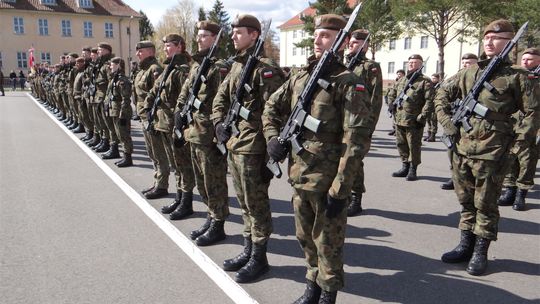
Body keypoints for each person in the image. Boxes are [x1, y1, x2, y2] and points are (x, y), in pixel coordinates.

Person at [263, 14, 372, 303]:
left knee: (328, 244)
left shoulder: (349, 82)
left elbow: (356, 141)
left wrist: (341, 187)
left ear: (342, 41)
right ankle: (311, 286)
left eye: (325, 35)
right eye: (316, 34)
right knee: (305, 239)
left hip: (327, 181)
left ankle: (328, 295)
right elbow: (271, 108)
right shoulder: (300, 77)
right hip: (300, 174)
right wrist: (273, 137)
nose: (317, 39)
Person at [435, 19, 539, 276]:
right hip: (462, 149)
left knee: (486, 205)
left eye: (497, 38)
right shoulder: (469, 73)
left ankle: (481, 252)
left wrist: (515, 148)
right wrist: (448, 124)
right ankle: (465, 245)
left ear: (510, 43)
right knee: (466, 202)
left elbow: (532, 114)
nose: (490, 42)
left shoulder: (519, 77)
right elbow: (441, 95)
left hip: (493, 152)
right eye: (486, 38)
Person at [212, 14, 285, 281]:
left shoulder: (265, 69)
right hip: (234, 143)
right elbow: (220, 98)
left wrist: (269, 153)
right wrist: (218, 122)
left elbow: (276, 112)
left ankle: (260, 257)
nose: (233, 36)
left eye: (239, 32)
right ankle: (248, 248)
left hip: (254, 148)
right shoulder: (236, 66)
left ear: (254, 35)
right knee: (244, 203)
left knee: (257, 205)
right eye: (232, 32)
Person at [165, 21, 230, 228]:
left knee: (214, 182)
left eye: (203, 35)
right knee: (202, 181)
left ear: (214, 38)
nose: (199, 39)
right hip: (193, 131)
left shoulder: (219, 68)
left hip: (208, 134)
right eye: (198, 35)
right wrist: (179, 115)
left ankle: (218, 222)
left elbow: (223, 102)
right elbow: (184, 94)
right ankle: (211, 217)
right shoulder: (196, 65)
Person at [142, 33, 193, 200]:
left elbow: (184, 101)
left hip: (174, 124)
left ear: (179, 46)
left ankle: (185, 200)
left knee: (182, 165)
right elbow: (154, 91)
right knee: (174, 164)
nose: (165, 49)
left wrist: (181, 125)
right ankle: (179, 198)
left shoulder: (182, 71)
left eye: (169, 45)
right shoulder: (168, 69)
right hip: (163, 123)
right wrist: (148, 107)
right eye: (164, 46)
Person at [345, 28, 383, 216]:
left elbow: (376, 99)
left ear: (365, 45)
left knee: (355, 161)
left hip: (358, 123)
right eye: (350, 42)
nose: (352, 45)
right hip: (340, 121)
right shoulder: (343, 64)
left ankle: (356, 198)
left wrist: (369, 127)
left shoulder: (370, 67)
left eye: (356, 43)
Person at [497, 47, 540, 211]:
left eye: (529, 59)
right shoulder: (516, 76)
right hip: (513, 124)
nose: (525, 61)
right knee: (510, 158)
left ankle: (521, 194)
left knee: (527, 161)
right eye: (524, 58)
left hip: (533, 127)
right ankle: (509, 191)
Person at [387, 54, 434, 181]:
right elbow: (392, 92)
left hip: (414, 120)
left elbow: (429, 101)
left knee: (414, 145)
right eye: (410, 62)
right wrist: (391, 103)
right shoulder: (402, 80)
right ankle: (405, 166)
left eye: (415, 62)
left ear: (421, 64)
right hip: (399, 118)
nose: (412, 64)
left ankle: (413, 169)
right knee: (401, 144)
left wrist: (422, 117)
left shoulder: (425, 81)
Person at [440, 53, 478, 191]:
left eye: (470, 63)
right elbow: (442, 95)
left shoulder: (480, 77)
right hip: (457, 118)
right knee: (452, 150)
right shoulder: (455, 78)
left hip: (476, 121)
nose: (466, 65)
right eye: (464, 62)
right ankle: (454, 177)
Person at [133, 41, 166, 196]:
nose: (137, 54)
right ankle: (156, 182)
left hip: (151, 117)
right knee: (152, 152)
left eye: (141, 51)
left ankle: (161, 185)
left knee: (158, 153)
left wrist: (153, 118)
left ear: (150, 52)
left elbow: (158, 96)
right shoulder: (142, 71)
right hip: (143, 116)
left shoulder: (155, 69)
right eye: (137, 51)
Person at [108, 57, 134, 167]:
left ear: (119, 65)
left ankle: (128, 158)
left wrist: (123, 114)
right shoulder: (115, 79)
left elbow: (126, 99)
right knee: (119, 134)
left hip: (121, 112)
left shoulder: (123, 81)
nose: (110, 67)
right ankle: (123, 155)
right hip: (115, 110)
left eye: (112, 65)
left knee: (124, 135)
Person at [386, 69, 405, 136]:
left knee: (399, 116)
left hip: (401, 101)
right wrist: (390, 103)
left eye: (400, 74)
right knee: (394, 116)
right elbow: (391, 92)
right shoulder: (396, 82)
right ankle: (394, 129)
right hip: (394, 101)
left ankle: (398, 130)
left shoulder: (405, 82)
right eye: (398, 74)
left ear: (403, 75)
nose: (398, 75)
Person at [424, 73, 440, 142]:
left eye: (434, 78)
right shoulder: (430, 85)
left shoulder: (440, 86)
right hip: (429, 105)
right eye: (432, 78)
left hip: (434, 106)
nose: (433, 80)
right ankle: (429, 134)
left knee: (433, 121)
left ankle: (433, 136)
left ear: (438, 79)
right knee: (428, 120)